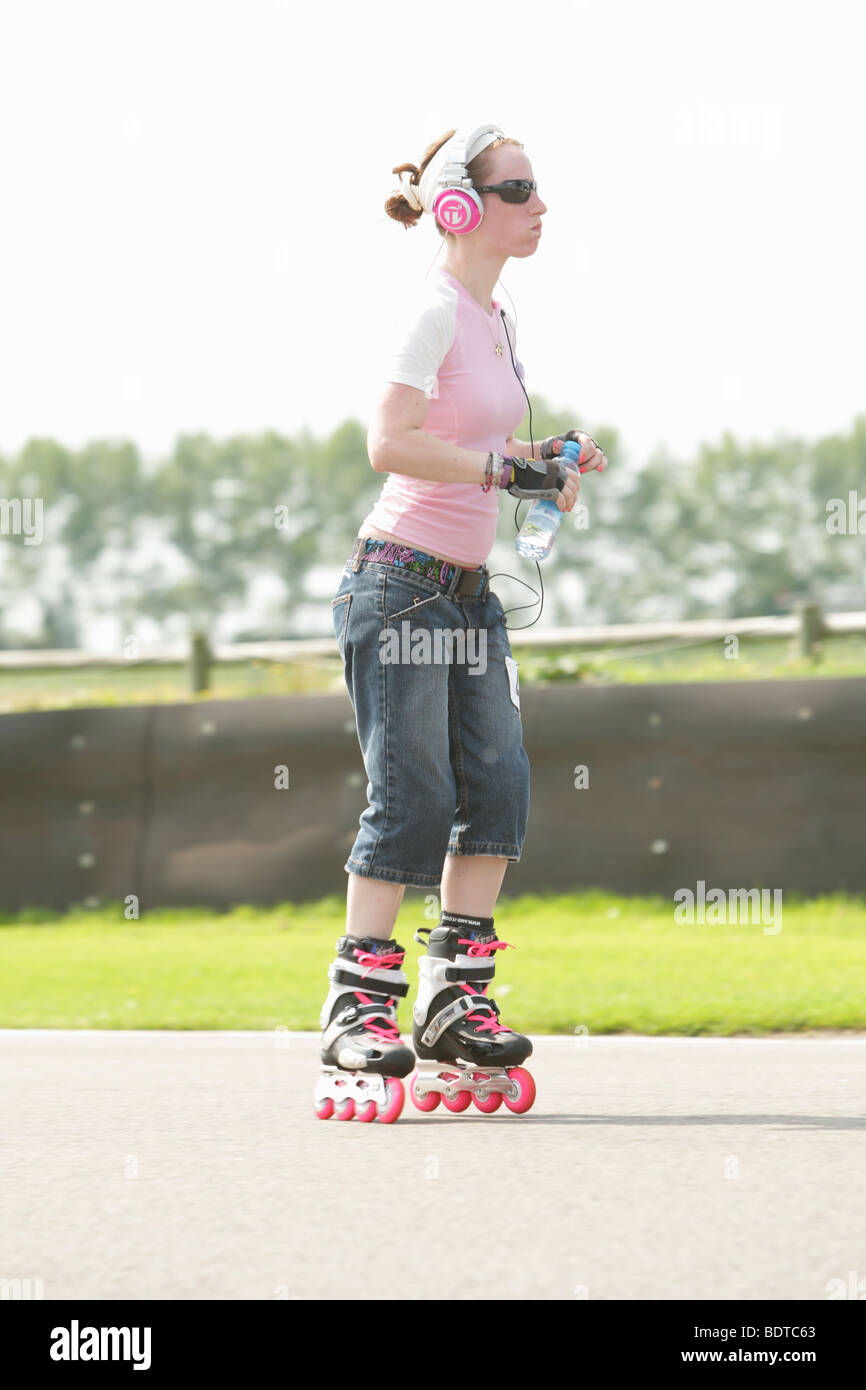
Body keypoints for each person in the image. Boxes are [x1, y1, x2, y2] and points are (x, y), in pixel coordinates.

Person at [314, 124, 608, 1122]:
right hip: (395, 584)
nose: (538, 204)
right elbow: (389, 444)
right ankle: (356, 1008)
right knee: (411, 792)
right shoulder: (431, 313)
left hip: (469, 588)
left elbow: (481, 438)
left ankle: (452, 999)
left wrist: (546, 453)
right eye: (517, 188)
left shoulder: (495, 317)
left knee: (497, 786)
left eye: (535, 187)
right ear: (458, 206)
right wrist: (500, 470)